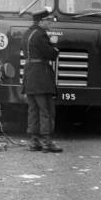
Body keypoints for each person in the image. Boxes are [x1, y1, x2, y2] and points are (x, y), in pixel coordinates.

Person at [21, 9, 63, 153]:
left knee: (33, 110)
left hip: (29, 75)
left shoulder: (27, 33)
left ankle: (34, 142)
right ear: (41, 21)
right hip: (41, 75)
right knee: (46, 110)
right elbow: (51, 54)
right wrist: (55, 48)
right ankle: (47, 143)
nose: (50, 23)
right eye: (48, 20)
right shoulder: (41, 34)